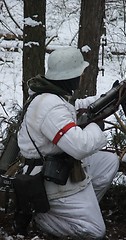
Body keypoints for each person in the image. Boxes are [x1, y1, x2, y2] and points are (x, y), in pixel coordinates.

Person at [17, 46, 119, 239]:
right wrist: (96, 125)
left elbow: (74, 108)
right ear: (71, 77)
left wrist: (109, 97)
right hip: (50, 179)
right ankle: (44, 218)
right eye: (79, 73)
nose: (81, 77)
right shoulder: (51, 107)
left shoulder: (51, 96)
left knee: (108, 162)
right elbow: (80, 147)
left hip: (59, 166)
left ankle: (78, 212)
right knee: (96, 232)